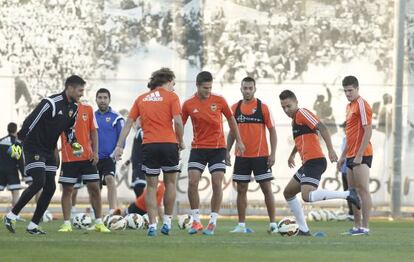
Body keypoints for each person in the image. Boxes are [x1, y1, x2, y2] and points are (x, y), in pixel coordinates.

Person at [4, 75, 85, 235]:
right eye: (80, 90)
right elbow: (30, 121)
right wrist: (18, 143)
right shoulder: (51, 103)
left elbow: (69, 130)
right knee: (39, 181)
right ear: (69, 88)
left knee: (50, 186)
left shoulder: (74, 108)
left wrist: (75, 144)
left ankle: (33, 225)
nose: (82, 94)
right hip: (33, 147)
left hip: (49, 150)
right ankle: (11, 216)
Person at [279, 89, 360, 236]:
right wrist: (292, 155)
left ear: (296, 102)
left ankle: (348, 194)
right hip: (307, 163)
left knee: (307, 196)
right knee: (288, 192)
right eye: (283, 107)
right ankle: (303, 229)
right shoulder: (294, 120)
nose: (286, 110)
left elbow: (322, 127)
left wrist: (331, 150)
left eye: (288, 106)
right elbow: (300, 141)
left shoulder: (302, 113)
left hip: (315, 161)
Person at [114, 67, 184, 237]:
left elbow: (129, 123)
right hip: (169, 144)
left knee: (151, 187)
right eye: (173, 84)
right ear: (167, 81)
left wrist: (119, 146)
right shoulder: (172, 97)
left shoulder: (141, 99)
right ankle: (167, 222)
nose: (173, 88)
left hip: (150, 145)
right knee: (170, 184)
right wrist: (180, 140)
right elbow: (178, 122)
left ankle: (152, 225)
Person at [182, 71, 245, 236]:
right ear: (197, 85)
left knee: (217, 182)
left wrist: (239, 141)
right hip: (197, 148)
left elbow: (232, 120)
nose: (208, 91)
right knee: (192, 181)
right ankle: (196, 221)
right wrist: (177, 142)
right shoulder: (188, 104)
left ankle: (212, 221)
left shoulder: (219, 100)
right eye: (205, 88)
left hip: (218, 149)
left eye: (210, 87)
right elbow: (179, 124)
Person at [226, 77, 278, 234]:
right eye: (245, 88)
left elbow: (272, 131)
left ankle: (273, 224)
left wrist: (273, 153)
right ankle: (241, 225)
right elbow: (232, 133)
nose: (247, 90)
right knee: (241, 189)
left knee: (266, 189)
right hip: (241, 156)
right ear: (240, 89)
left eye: (250, 88)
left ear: (255, 89)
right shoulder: (234, 108)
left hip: (261, 156)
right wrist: (226, 151)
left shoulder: (263, 108)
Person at [58, 103, 110, 233]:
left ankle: (98, 222)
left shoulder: (88, 109)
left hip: (87, 158)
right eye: (79, 90)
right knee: (67, 190)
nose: (80, 92)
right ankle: (66, 224)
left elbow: (93, 131)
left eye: (81, 90)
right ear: (71, 89)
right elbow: (55, 133)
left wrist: (96, 152)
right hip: (68, 158)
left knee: (95, 189)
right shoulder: (61, 110)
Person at [337, 76, 373, 236]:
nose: (347, 93)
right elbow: (350, 134)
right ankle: (357, 226)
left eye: (350, 90)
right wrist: (343, 156)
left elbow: (368, 130)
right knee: (352, 191)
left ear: (357, 89)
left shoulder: (362, 104)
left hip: (362, 154)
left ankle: (365, 227)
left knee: (363, 190)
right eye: (345, 91)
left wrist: (359, 155)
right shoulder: (349, 106)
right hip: (350, 155)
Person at [94, 88, 124, 214]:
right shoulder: (91, 117)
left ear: (109, 100)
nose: (102, 100)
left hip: (109, 157)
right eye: (100, 97)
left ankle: (112, 212)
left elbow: (122, 137)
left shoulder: (116, 117)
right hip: (94, 157)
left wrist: (119, 150)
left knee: (110, 179)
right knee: (95, 187)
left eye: (105, 98)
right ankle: (97, 215)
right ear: (96, 100)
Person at [0, 123, 25, 209]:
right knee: (15, 192)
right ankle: (14, 215)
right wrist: (24, 174)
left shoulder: (1, 141)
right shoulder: (15, 143)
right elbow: (19, 160)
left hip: (0, 171)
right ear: (16, 130)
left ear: (8, 129)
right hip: (12, 171)